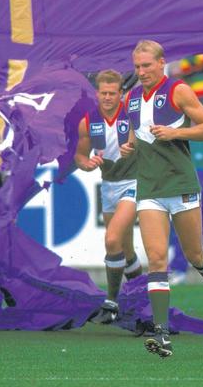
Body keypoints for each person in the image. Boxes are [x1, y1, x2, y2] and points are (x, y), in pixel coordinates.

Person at [122, 40, 203, 358]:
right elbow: (136, 134)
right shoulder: (131, 98)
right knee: (157, 259)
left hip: (181, 183)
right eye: (137, 66)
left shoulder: (178, 91)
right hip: (149, 188)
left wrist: (175, 133)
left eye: (147, 65)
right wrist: (128, 146)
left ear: (161, 63)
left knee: (195, 254)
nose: (142, 71)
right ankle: (162, 333)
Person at [74, 69, 142, 324]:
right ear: (97, 94)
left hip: (134, 182)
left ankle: (111, 302)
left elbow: (145, 142)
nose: (108, 97)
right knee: (125, 249)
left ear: (121, 93)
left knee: (112, 239)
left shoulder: (132, 115)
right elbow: (80, 156)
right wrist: (86, 164)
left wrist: (133, 146)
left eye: (112, 93)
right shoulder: (88, 122)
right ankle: (140, 298)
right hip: (109, 185)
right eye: (103, 93)